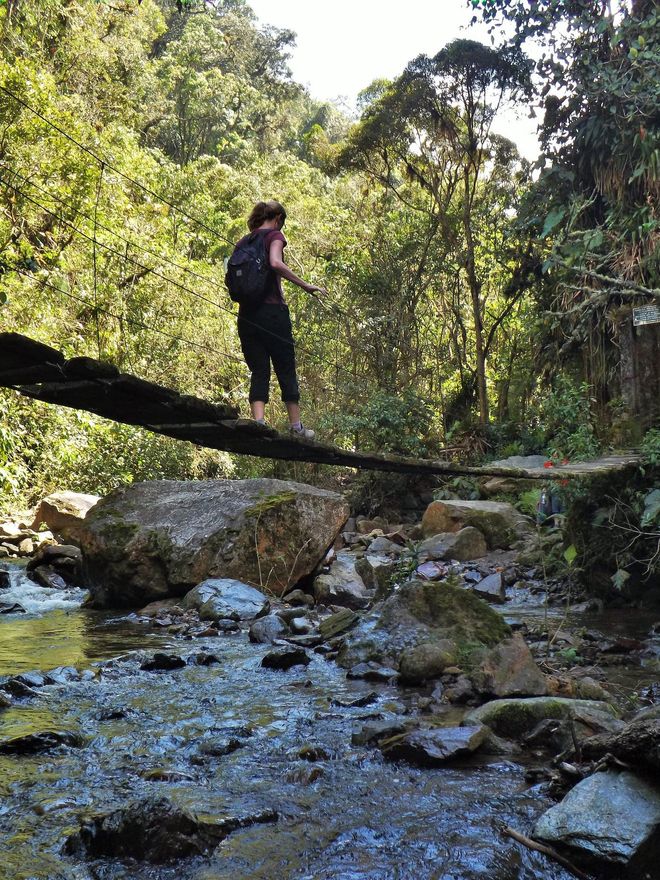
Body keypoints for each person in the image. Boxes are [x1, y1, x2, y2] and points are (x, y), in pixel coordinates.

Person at [235, 200, 326, 439]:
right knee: (285, 367)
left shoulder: (243, 242)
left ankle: (259, 423)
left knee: (259, 369)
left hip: (246, 315)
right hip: (273, 313)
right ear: (277, 219)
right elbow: (275, 262)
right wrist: (306, 285)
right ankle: (296, 428)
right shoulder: (274, 235)